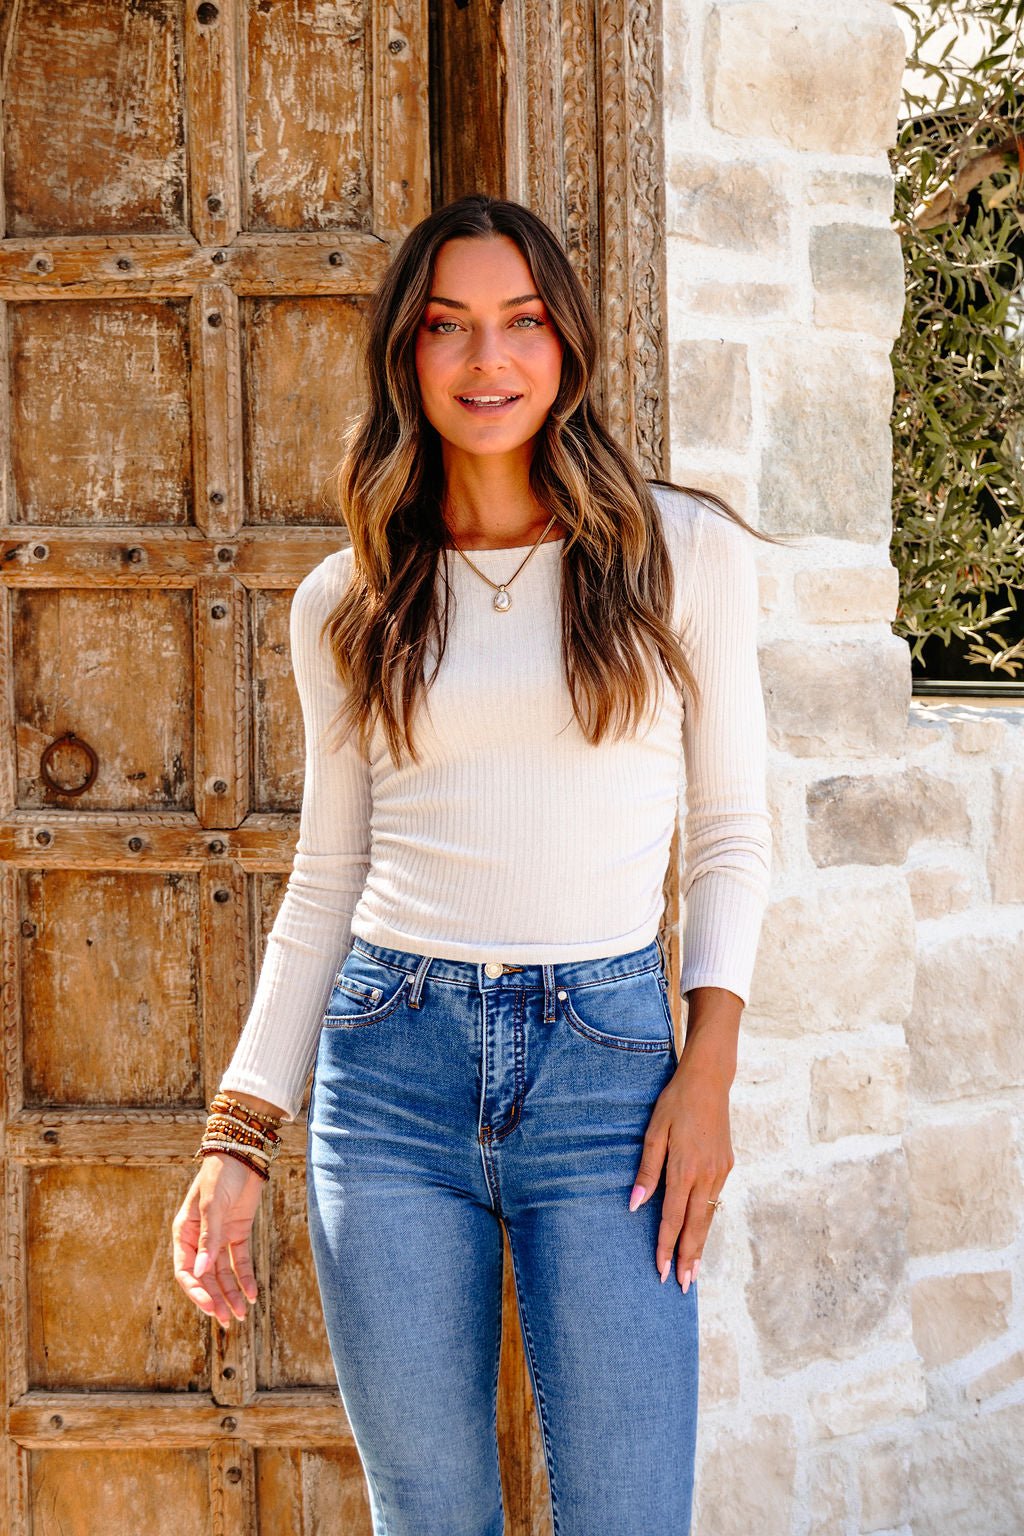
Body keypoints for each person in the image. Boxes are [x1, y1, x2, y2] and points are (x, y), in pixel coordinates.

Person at [172, 193, 772, 1536]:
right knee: (429, 1515)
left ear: (567, 345)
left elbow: (731, 832)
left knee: (626, 1511)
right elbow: (326, 879)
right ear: (407, 354)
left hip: (607, 1068)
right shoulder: (352, 598)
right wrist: (238, 1139)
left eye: (521, 322)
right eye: (449, 327)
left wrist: (709, 1064)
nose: (486, 361)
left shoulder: (685, 557)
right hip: (389, 1070)